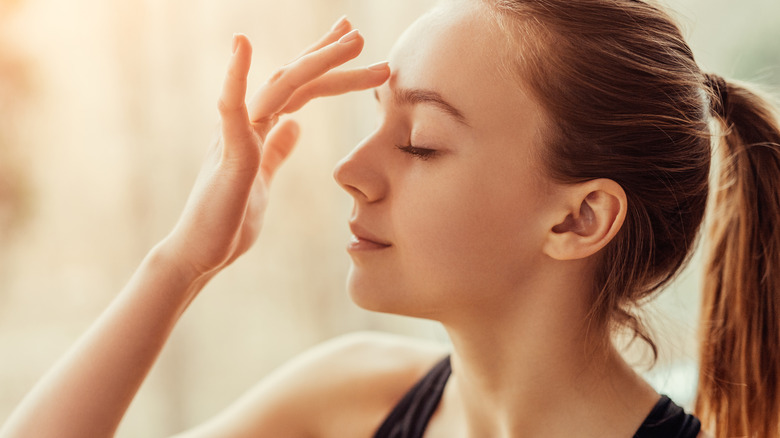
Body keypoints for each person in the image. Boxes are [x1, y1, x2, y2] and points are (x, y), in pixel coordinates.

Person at [1, 0, 779, 436]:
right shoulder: (349, 395)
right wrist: (182, 261)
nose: (348, 172)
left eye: (419, 143)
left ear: (579, 219)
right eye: (374, 119)